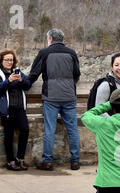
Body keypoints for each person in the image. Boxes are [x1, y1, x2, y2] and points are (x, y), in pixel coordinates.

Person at [28, 28, 81, 171]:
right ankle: (75, 161)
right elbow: (77, 74)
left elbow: (33, 74)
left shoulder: (44, 53)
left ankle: (47, 162)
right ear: (62, 39)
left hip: (51, 96)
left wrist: (23, 84)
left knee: (49, 130)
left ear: (50, 38)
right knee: (72, 130)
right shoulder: (71, 53)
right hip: (69, 96)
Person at [0, 49, 31, 171]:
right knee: (9, 135)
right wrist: (9, 81)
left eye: (11, 60)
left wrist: (21, 80)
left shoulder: (17, 72)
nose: (9, 62)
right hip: (6, 109)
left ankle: (20, 159)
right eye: (7, 60)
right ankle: (10, 161)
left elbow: (28, 85)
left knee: (25, 129)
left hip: (19, 108)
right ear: (1, 61)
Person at [94, 52, 120, 117]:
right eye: (116, 65)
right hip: (110, 125)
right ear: (112, 67)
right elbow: (99, 110)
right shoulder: (106, 85)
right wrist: (115, 124)